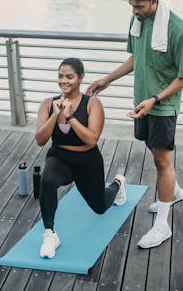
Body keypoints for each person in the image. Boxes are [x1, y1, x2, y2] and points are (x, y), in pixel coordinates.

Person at [86, 0, 183, 249]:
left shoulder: (176, 30)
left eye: (139, 6)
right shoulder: (138, 21)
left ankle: (162, 226)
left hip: (162, 105)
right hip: (142, 101)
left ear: (154, 1)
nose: (134, 12)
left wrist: (155, 99)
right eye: (132, 6)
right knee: (152, 147)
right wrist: (106, 79)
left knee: (162, 161)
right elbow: (135, 58)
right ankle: (175, 191)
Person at [35, 57, 127, 259]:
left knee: (100, 207)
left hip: (87, 161)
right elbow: (40, 140)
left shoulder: (92, 104)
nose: (64, 81)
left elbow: (92, 139)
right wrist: (55, 115)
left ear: (81, 78)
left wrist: (69, 117)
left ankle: (118, 185)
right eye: (60, 76)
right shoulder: (48, 104)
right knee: (47, 180)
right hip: (60, 157)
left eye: (70, 77)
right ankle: (50, 234)